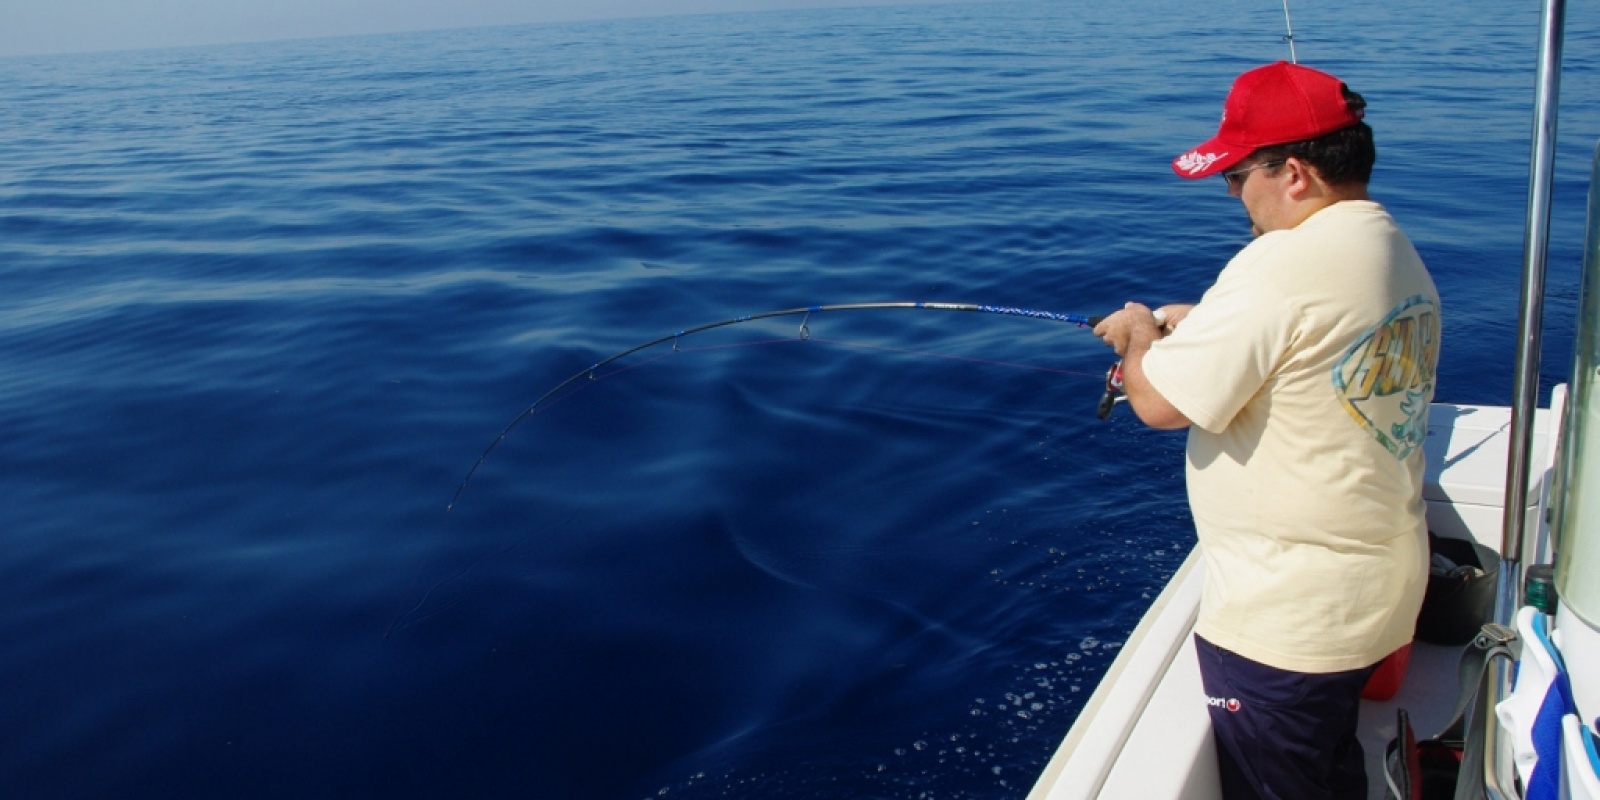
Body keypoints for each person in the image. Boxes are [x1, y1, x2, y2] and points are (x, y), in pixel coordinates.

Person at [1092, 61, 1441, 800]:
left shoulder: (1278, 264)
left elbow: (1158, 406)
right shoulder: (1383, 243)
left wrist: (1136, 335)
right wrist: (1204, 322)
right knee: (1326, 764)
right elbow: (1311, 345)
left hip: (1289, 624)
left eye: (1235, 175)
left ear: (1292, 172)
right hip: (1375, 587)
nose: (1233, 197)